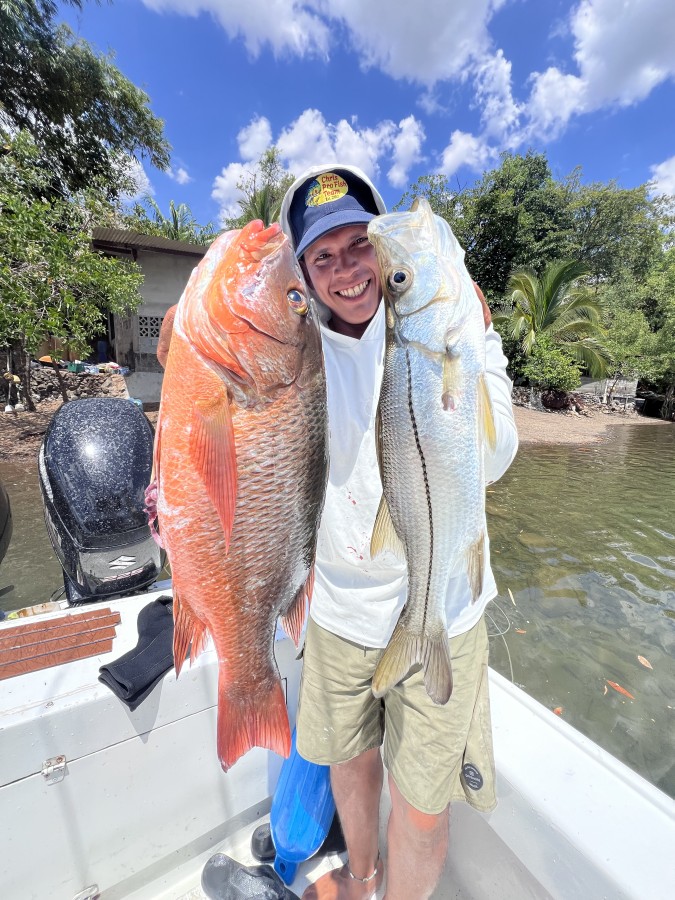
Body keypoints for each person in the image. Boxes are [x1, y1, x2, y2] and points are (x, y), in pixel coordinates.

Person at [278, 165, 518, 900]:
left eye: (361, 246)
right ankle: (362, 878)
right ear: (304, 272)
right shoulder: (294, 354)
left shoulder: (444, 330)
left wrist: (477, 347)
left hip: (442, 608)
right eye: (324, 256)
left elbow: (496, 457)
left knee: (420, 808)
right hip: (339, 612)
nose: (347, 269)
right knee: (350, 768)